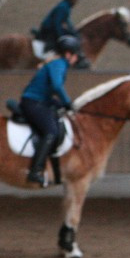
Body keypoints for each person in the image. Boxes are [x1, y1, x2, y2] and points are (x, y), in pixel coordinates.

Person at [18, 34, 80, 187]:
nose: (77, 58)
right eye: (75, 55)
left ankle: (55, 172)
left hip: (39, 101)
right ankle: (35, 171)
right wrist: (67, 103)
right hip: (33, 103)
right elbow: (57, 86)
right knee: (51, 131)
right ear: (68, 54)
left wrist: (58, 104)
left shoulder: (55, 63)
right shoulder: (59, 64)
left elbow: (48, 90)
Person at [35, 0, 89, 68]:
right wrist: (61, 36)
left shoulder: (66, 7)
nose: (77, 0)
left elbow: (67, 22)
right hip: (49, 31)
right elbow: (57, 23)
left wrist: (74, 32)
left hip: (52, 29)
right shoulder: (63, 7)